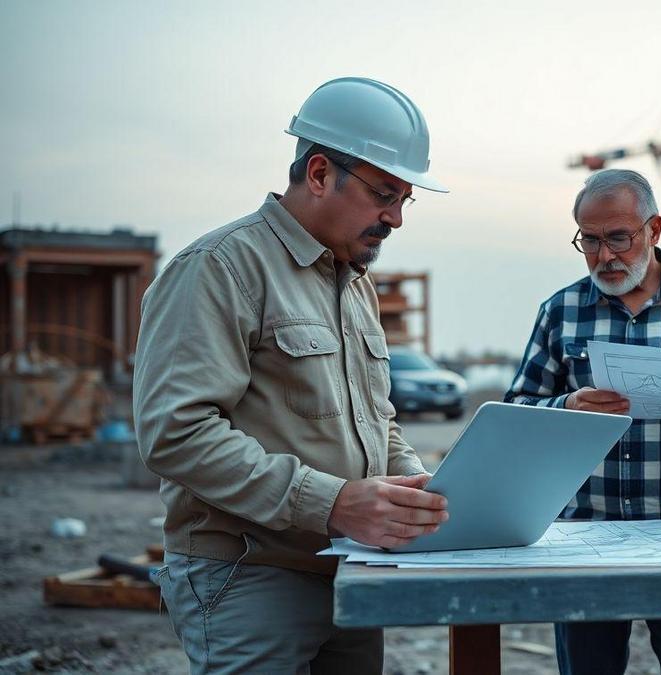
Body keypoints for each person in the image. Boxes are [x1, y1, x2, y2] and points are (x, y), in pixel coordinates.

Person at [133, 77, 451, 674]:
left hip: (350, 570)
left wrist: (421, 485)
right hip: (249, 578)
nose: (396, 218)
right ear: (320, 173)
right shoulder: (219, 269)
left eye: (406, 198)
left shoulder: (352, 283)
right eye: (385, 193)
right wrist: (333, 504)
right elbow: (175, 434)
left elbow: (374, 422)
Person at [505, 168, 661, 675]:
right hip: (584, 536)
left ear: (654, 230)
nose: (605, 256)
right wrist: (567, 407)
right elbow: (515, 414)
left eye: (618, 237)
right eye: (591, 241)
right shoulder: (560, 311)